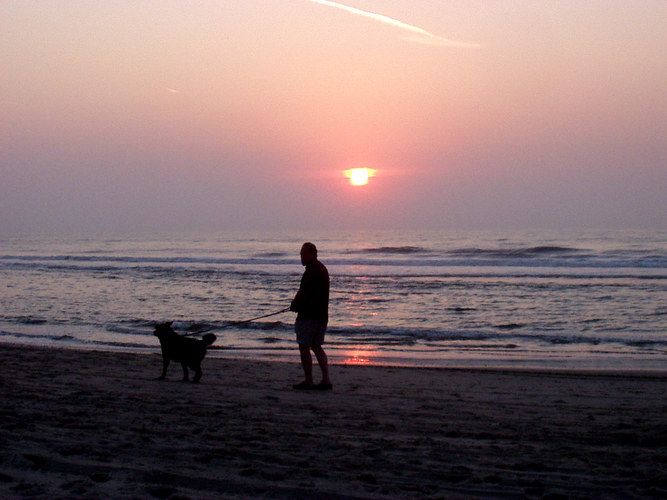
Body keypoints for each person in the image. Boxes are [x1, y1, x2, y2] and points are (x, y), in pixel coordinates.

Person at [290, 242, 332, 390]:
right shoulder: (322, 269)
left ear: (313, 254)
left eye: (304, 254)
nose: (301, 257)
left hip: (309, 316)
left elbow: (303, 292)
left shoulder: (312, 270)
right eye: (301, 254)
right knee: (316, 346)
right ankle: (326, 379)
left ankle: (309, 380)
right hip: (321, 315)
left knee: (304, 346)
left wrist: (294, 305)